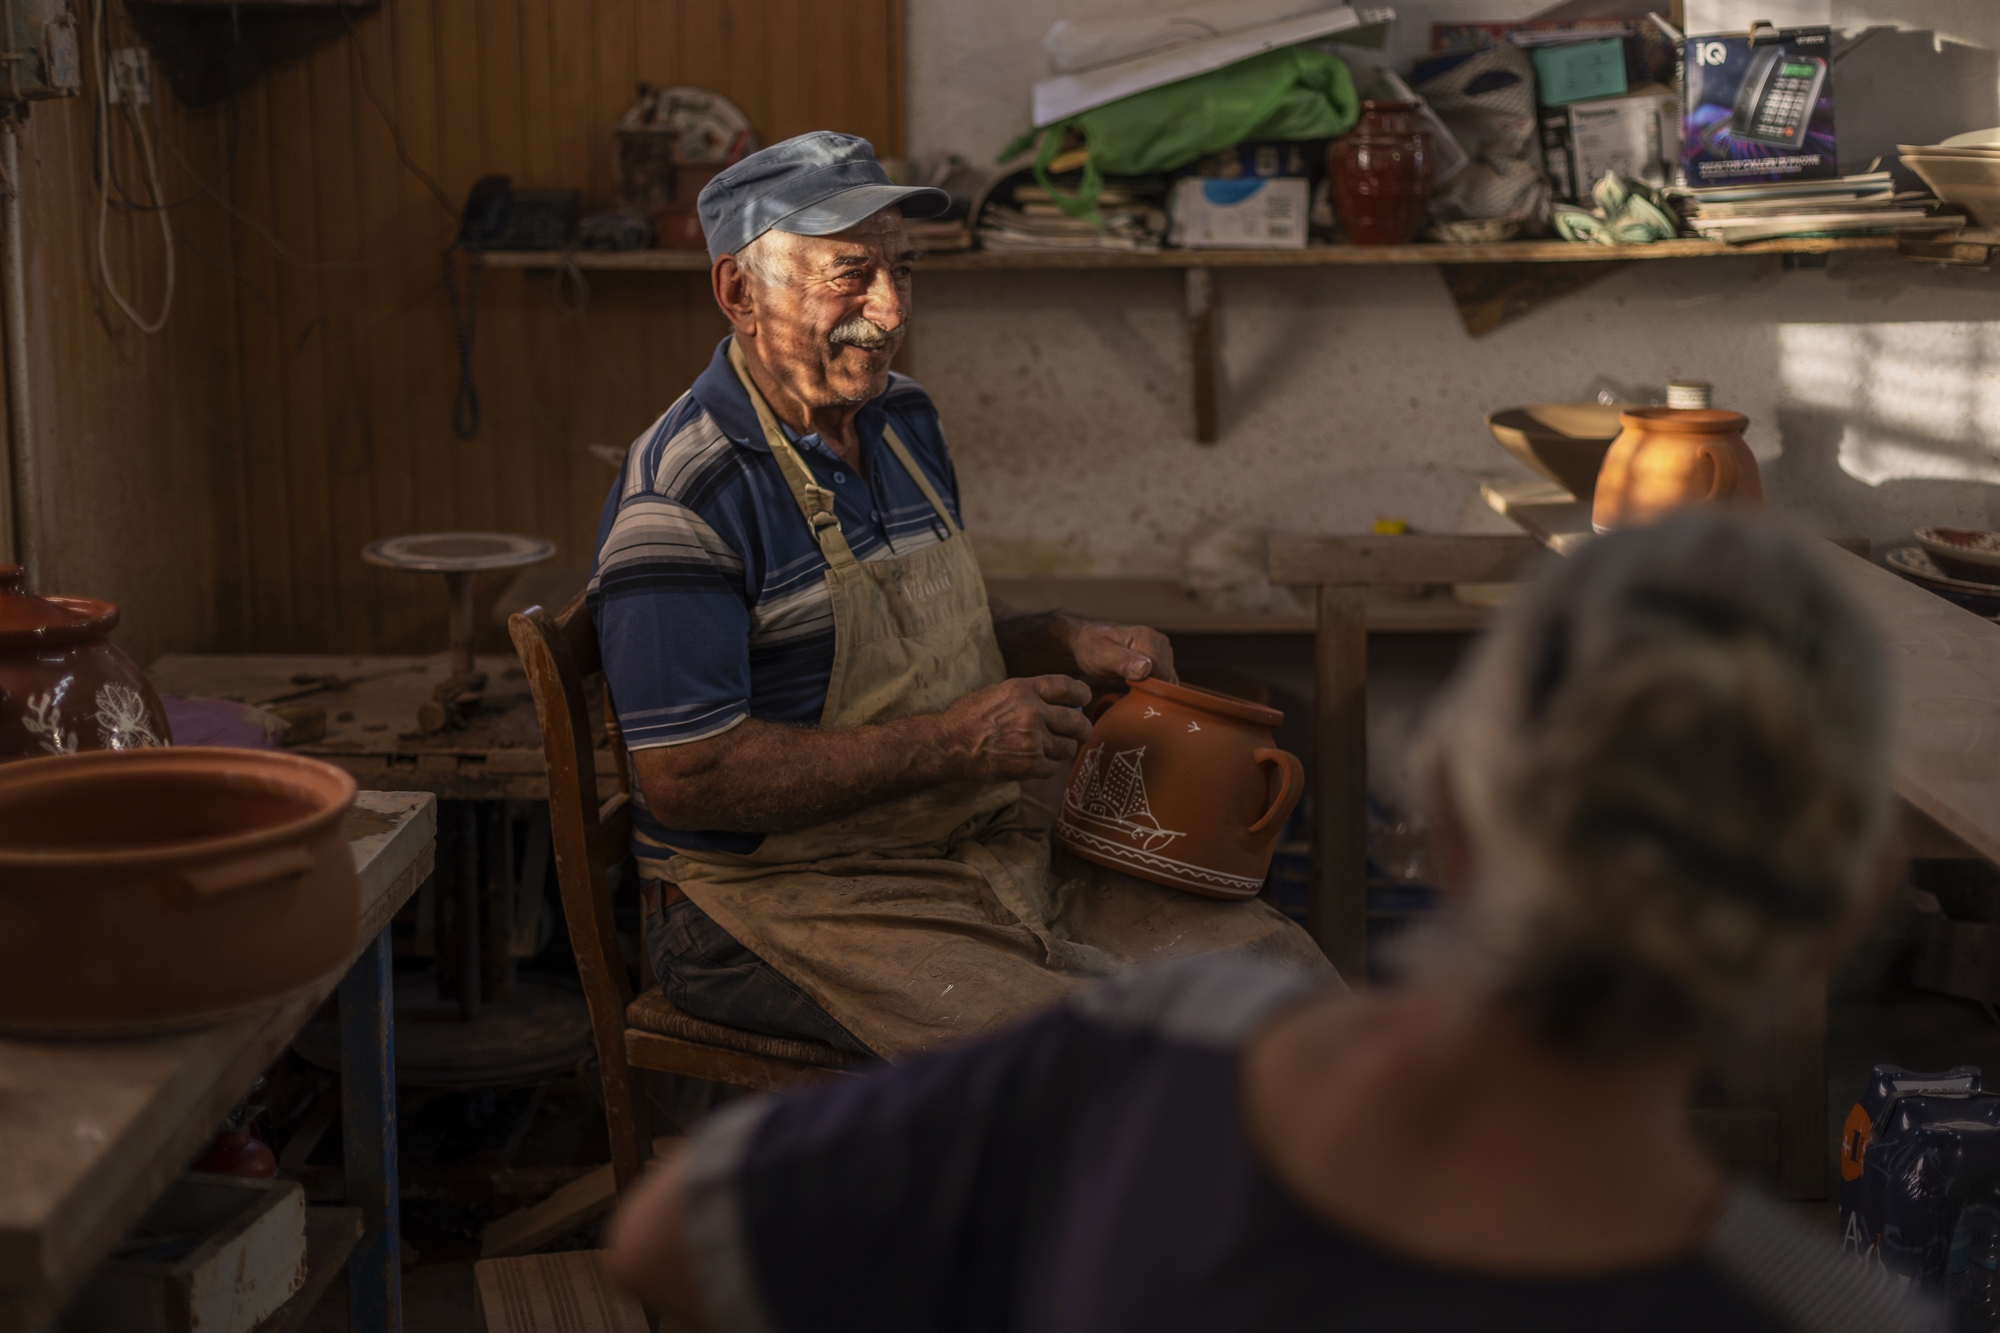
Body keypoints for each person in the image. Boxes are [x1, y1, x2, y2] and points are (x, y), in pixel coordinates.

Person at [602, 510, 1943, 1333]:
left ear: (1458, 822)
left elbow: (668, 1237)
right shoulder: (1822, 1307)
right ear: (1846, 910)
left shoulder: (1168, 1049)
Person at [588, 130, 1327, 1060]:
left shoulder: (902, 422)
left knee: (1275, 978)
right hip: (771, 904)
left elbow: (930, 643)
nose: (890, 309)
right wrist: (954, 741)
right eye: (850, 273)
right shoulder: (686, 493)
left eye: (903, 270)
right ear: (740, 290)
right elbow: (689, 779)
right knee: (1111, 1059)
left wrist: (1062, 639)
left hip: (962, 846)